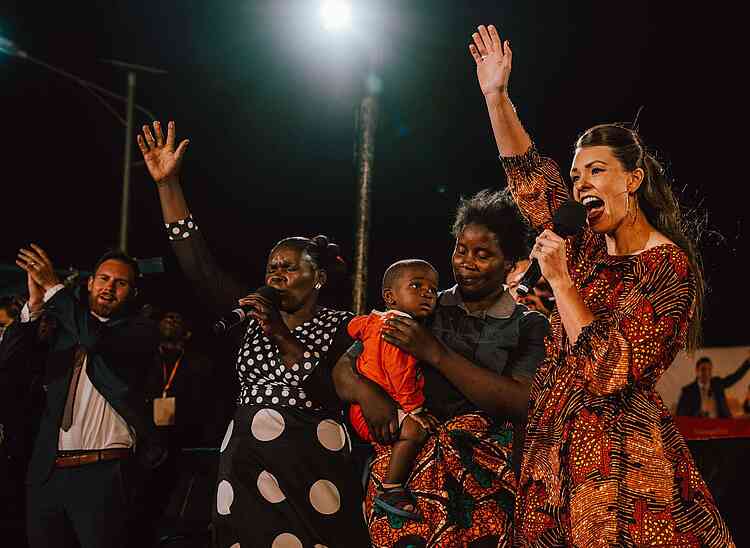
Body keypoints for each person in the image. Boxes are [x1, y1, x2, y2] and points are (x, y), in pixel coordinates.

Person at [468, 23, 733, 546]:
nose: (580, 184)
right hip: (551, 453)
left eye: (596, 171)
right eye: (575, 176)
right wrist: (497, 97)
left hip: (618, 467)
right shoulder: (584, 242)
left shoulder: (666, 267)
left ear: (632, 179)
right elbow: (526, 173)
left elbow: (610, 370)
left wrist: (562, 284)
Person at [137, 120, 370, 547]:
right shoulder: (251, 314)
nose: (277, 273)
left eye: (289, 266)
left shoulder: (342, 325)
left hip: (310, 462)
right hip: (246, 464)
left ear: (317, 278)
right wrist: (168, 186)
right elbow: (198, 266)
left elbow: (326, 390)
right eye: (272, 267)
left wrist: (281, 334)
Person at [334, 189, 549, 547]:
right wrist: (368, 396)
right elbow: (345, 368)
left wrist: (436, 353)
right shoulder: (420, 305)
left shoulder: (527, 325)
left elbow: (520, 401)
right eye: (461, 249)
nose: (465, 262)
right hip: (406, 475)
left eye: (483, 255)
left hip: (483, 480)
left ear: (511, 264)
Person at [14, 246, 166, 548]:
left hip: (105, 474)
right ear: (89, 283)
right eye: (103, 279)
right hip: (48, 474)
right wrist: (34, 304)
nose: (109, 287)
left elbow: (95, 339)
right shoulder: (65, 329)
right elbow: (10, 363)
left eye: (120, 283)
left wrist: (55, 287)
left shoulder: (140, 332)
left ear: (134, 293)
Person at [347, 259, 440, 521]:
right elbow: (400, 373)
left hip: (361, 408)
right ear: (390, 296)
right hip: (378, 413)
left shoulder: (376, 321)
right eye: (416, 286)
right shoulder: (400, 329)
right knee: (416, 430)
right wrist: (415, 410)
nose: (427, 293)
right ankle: (391, 488)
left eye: (433, 289)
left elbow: (354, 327)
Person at [677, 356, 750, 418]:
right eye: (703, 369)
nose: (706, 373)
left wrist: (748, 362)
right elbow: (680, 415)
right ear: (696, 370)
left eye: (709, 369)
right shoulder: (688, 391)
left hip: (721, 426)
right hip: (698, 428)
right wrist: (696, 415)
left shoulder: (717, 384)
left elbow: (734, 378)